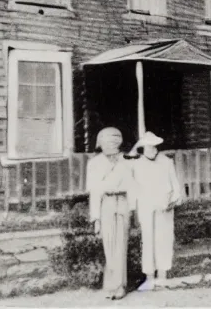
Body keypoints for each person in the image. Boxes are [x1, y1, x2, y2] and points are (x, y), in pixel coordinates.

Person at [86, 127, 136, 300]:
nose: (111, 145)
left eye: (115, 141)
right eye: (107, 142)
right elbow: (94, 192)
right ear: (100, 143)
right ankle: (110, 285)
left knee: (121, 245)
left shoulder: (127, 161)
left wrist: (132, 209)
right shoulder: (95, 164)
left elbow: (132, 187)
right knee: (108, 245)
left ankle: (120, 286)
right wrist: (96, 219)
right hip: (105, 204)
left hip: (122, 202)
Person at [129, 131, 182, 291]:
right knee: (148, 241)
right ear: (143, 148)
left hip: (164, 207)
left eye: (154, 146)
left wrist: (173, 201)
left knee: (164, 240)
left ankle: (162, 277)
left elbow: (176, 186)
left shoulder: (166, 162)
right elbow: (133, 189)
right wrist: (133, 209)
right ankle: (150, 278)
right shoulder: (136, 164)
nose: (152, 149)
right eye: (148, 146)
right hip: (146, 207)